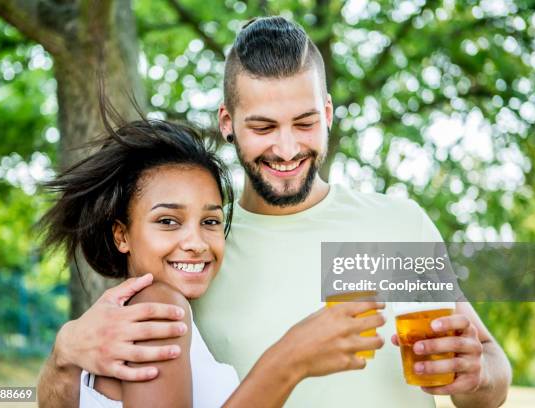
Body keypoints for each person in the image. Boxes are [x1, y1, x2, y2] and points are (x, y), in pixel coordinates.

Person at [38, 17, 512, 407]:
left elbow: (493, 373)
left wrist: (476, 375)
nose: (286, 149)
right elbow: (76, 393)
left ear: (327, 114)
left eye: (304, 123)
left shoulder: (400, 223)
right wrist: (62, 357)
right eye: (263, 126)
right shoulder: (197, 254)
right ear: (228, 122)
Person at [38, 106, 386, 407]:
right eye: (168, 221)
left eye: (210, 221)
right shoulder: (158, 307)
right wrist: (288, 361)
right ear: (122, 235)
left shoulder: (130, 318)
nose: (196, 242)